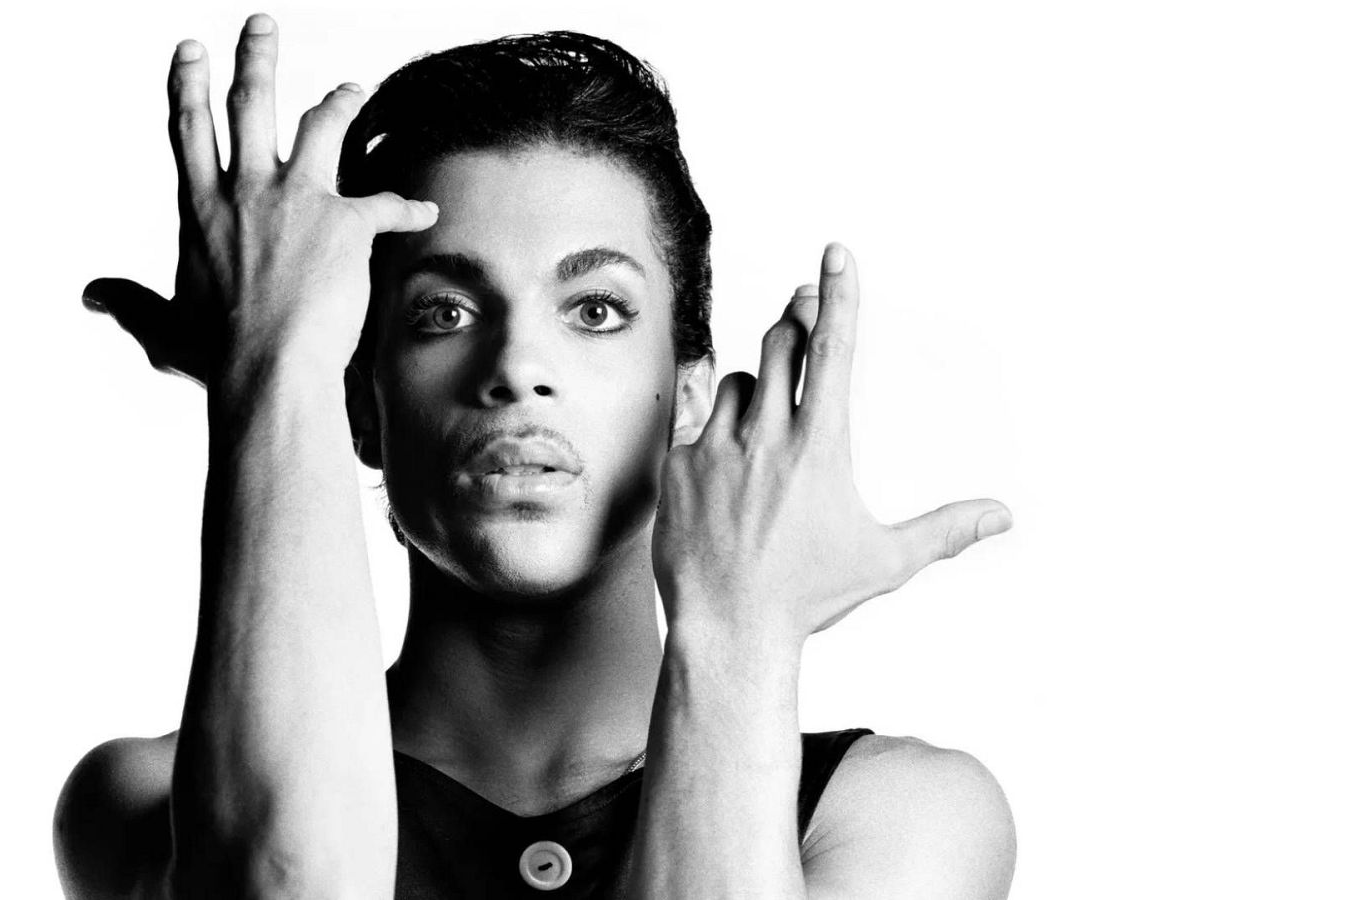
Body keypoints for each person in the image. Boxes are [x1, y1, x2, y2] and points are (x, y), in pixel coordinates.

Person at [55, 13, 1017, 899]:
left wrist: (738, 639)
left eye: (595, 312)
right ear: (358, 405)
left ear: (687, 396)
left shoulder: (896, 816)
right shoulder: (142, 802)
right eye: (445, 312)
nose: (517, 367)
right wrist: (272, 371)